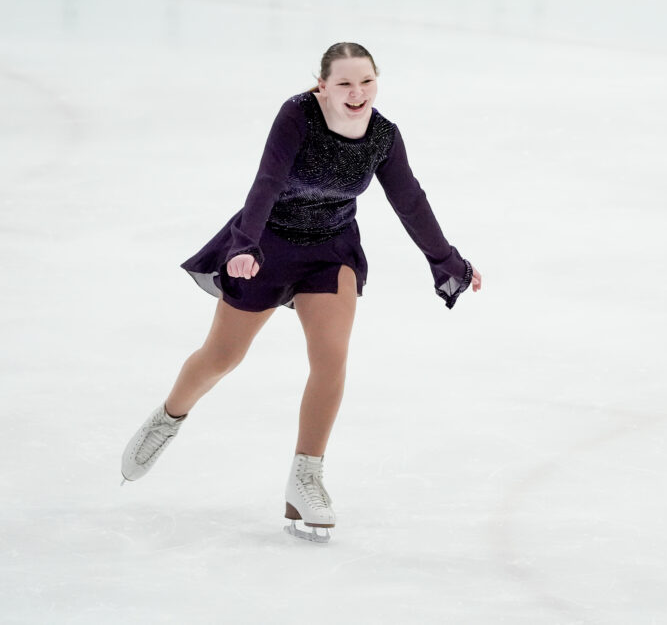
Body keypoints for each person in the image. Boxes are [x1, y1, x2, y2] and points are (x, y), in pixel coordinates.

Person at [120, 42, 482, 543]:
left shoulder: (382, 136)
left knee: (331, 360)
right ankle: (168, 417)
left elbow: (409, 200)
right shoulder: (297, 116)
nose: (357, 94)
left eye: (367, 83)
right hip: (267, 244)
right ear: (322, 85)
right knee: (222, 357)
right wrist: (243, 244)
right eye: (345, 84)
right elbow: (267, 182)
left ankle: (306, 475)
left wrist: (447, 260)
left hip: (331, 250)